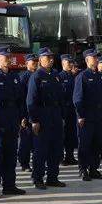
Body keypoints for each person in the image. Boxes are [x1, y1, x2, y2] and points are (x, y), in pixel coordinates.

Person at [0, 46, 27, 198]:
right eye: (4, 57)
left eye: (9, 57)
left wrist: (22, 117)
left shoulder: (14, 77)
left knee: (10, 155)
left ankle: (9, 185)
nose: (8, 60)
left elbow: (20, 100)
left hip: (12, 120)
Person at [27, 48, 67, 189]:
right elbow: (31, 101)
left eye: (51, 57)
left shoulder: (55, 75)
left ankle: (52, 177)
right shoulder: (36, 76)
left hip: (55, 115)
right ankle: (38, 178)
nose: (51, 59)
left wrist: (61, 116)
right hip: (42, 116)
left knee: (55, 149)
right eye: (47, 57)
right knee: (41, 150)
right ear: (40, 60)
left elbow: (61, 98)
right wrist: (34, 120)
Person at [73, 48, 102, 181]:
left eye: (97, 57)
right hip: (86, 116)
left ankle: (94, 169)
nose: (96, 59)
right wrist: (80, 115)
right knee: (85, 144)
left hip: (98, 116)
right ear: (87, 60)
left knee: (97, 143)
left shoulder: (99, 76)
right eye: (94, 57)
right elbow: (78, 99)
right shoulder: (82, 76)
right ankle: (83, 169)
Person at [17, 53, 38, 171]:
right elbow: (21, 99)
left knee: (37, 141)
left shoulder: (39, 75)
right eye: (32, 61)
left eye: (36, 61)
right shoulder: (23, 77)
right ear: (26, 64)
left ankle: (36, 163)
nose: (35, 63)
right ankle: (24, 163)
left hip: (37, 113)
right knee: (26, 141)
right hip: (26, 113)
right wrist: (22, 116)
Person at [58, 55, 78, 166]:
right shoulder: (59, 76)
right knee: (62, 135)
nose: (71, 64)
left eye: (72, 62)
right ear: (63, 63)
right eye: (68, 62)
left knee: (71, 134)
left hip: (72, 110)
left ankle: (70, 156)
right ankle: (61, 157)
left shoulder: (73, 76)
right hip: (63, 109)